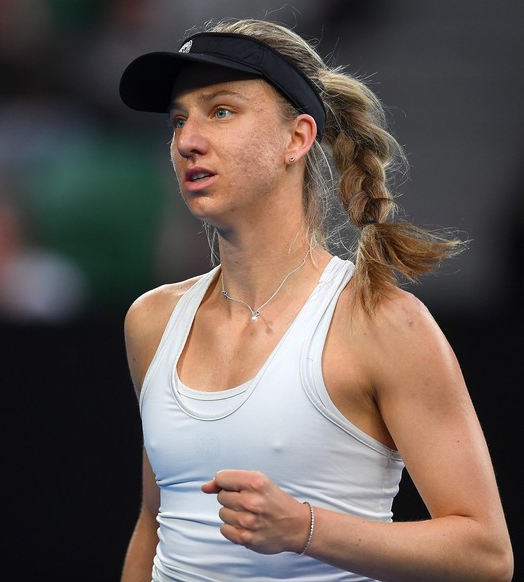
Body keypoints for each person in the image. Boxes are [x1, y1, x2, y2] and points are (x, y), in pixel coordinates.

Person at [118, 18, 513, 582]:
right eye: (179, 119)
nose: (187, 140)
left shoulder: (382, 324)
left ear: (297, 138)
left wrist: (303, 528)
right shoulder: (151, 321)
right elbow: (156, 521)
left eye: (221, 111)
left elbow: (486, 554)